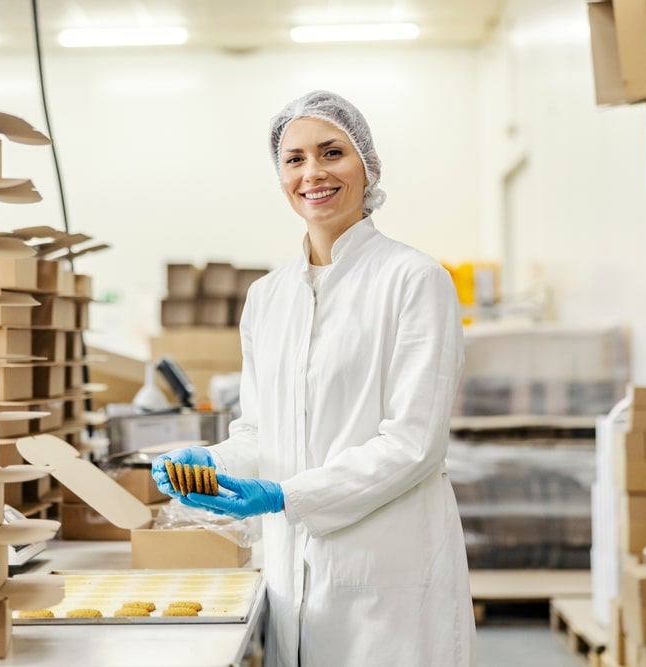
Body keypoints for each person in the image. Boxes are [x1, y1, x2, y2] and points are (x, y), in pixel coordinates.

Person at [152, 90, 477, 667]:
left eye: (332, 152)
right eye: (294, 159)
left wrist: (285, 495)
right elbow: (259, 431)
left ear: (367, 166)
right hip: (289, 576)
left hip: (387, 581)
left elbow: (413, 444)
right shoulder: (267, 296)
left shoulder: (415, 281)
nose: (313, 173)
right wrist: (211, 464)